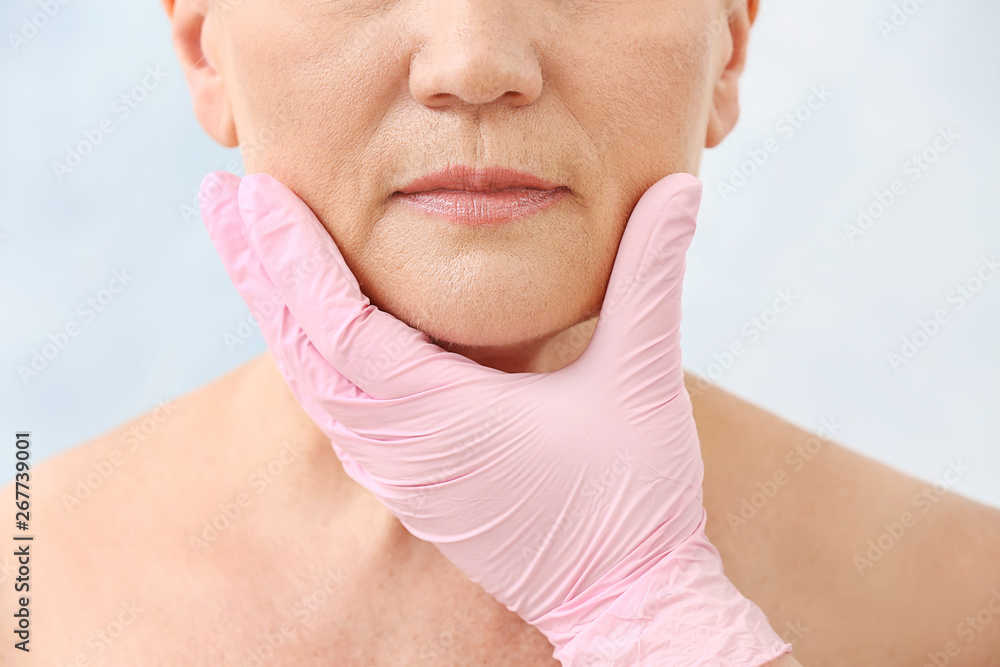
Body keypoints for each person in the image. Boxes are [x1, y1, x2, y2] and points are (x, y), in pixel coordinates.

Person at [4, 0, 999, 664]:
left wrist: (646, 610)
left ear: (728, 44)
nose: (476, 64)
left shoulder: (965, 602)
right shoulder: (26, 596)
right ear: (200, 43)